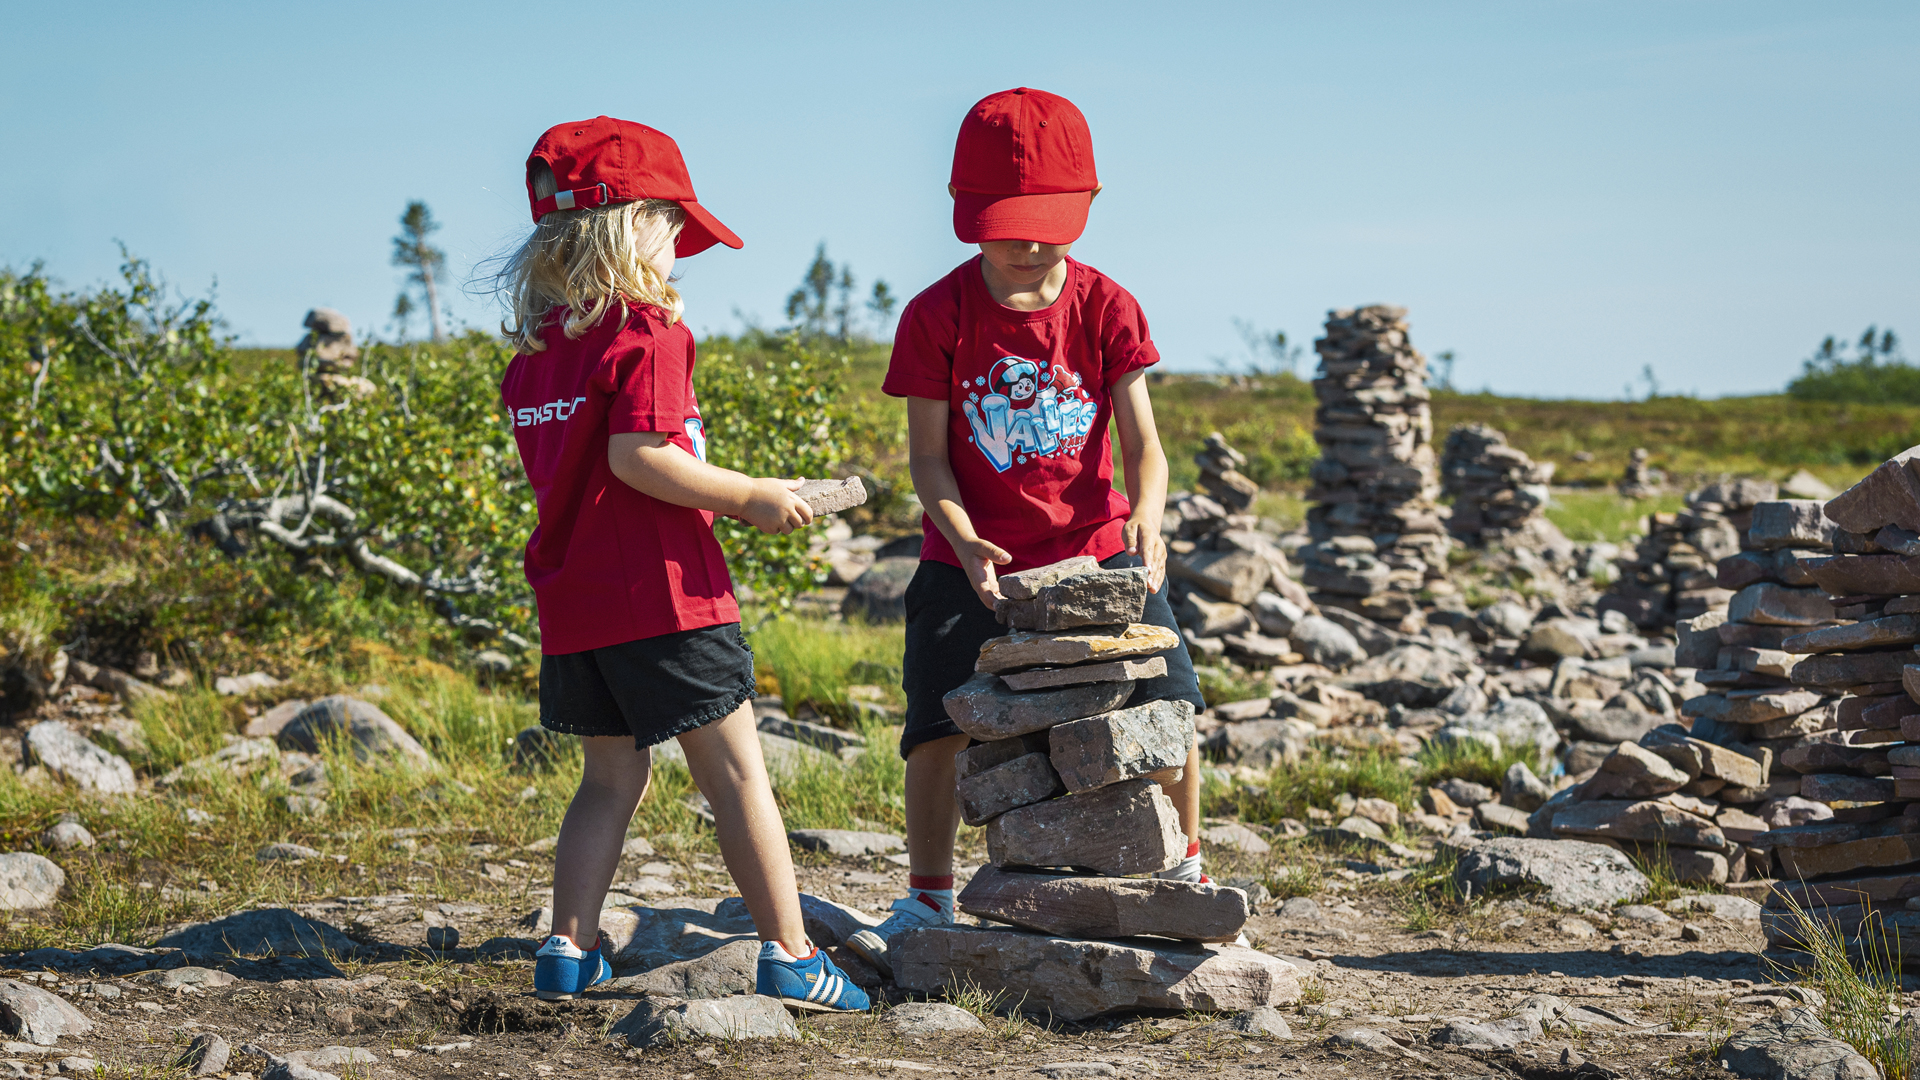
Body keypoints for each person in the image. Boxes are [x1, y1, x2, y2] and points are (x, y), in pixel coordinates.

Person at [497, 116, 868, 1012]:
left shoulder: (538, 360)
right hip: (665, 596)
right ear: (634, 228)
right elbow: (639, 459)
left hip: (576, 604)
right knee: (737, 770)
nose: (680, 253)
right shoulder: (649, 336)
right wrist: (752, 495)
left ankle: (567, 948)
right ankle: (789, 954)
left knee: (610, 775)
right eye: (673, 229)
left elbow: (587, 475)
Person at [843, 88, 1209, 978]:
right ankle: (929, 890)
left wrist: (1147, 523)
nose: (1032, 245)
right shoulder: (936, 314)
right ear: (968, 215)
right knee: (934, 726)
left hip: (1100, 553)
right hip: (968, 560)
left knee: (1171, 709)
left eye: (1050, 224)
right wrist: (964, 538)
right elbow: (929, 460)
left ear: (1081, 210)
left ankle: (1186, 865)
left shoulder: (1106, 305)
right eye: (1009, 226)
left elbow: (1145, 445)